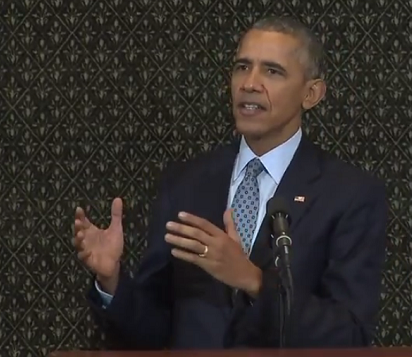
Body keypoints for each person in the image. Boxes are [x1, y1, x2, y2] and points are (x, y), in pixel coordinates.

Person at [73, 16, 388, 350]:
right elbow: (155, 330)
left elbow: (349, 335)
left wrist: (252, 280)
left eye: (272, 71)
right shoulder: (187, 183)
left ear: (311, 94)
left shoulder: (349, 194)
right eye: (242, 67)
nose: (249, 84)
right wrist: (112, 281)